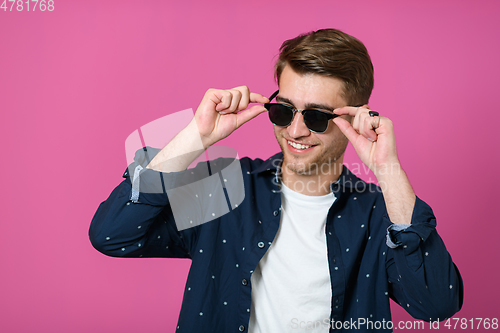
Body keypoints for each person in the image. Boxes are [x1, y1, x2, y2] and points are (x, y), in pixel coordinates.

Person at [89, 28, 463, 332]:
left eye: (317, 116)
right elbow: (113, 234)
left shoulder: (380, 214)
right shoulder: (228, 186)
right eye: (283, 110)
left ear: (354, 118)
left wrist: (388, 169)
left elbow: (436, 305)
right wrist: (196, 137)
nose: (296, 130)